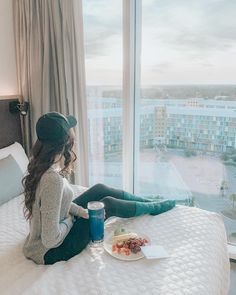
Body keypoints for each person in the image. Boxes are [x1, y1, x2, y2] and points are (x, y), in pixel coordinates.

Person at [22, 112, 176, 265]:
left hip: (53, 230)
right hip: (51, 251)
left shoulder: (41, 165)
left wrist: (81, 212)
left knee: (99, 189)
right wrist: (71, 219)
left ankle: (149, 203)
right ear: (64, 141)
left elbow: (57, 203)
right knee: (107, 204)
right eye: (69, 129)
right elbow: (50, 240)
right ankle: (154, 206)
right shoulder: (52, 180)